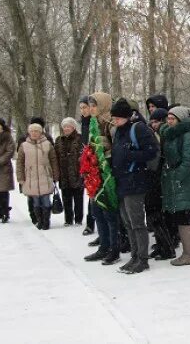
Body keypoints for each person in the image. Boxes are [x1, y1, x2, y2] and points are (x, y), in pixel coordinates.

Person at [110, 98, 159, 274]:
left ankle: (143, 258)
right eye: (113, 118)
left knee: (137, 222)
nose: (114, 121)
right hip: (121, 182)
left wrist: (130, 156)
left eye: (117, 118)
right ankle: (134, 255)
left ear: (125, 116)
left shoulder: (138, 128)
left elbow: (152, 151)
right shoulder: (117, 132)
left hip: (135, 182)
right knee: (127, 222)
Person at [84, 92, 121, 265]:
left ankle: (114, 249)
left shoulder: (111, 123)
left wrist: (105, 148)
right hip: (95, 173)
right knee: (97, 211)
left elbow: (119, 149)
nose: (91, 109)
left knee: (110, 213)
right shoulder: (93, 122)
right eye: (90, 105)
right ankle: (104, 246)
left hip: (109, 174)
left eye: (94, 105)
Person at [160, 106, 190, 266]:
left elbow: (188, 160)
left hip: (182, 181)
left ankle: (189, 254)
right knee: (177, 215)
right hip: (171, 179)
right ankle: (186, 252)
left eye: (172, 119)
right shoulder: (169, 134)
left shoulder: (186, 136)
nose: (169, 121)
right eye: (168, 118)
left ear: (180, 120)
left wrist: (177, 176)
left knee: (183, 215)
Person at [16, 123, 60, 230]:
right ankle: (39, 221)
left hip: (45, 176)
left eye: (37, 131)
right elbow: (20, 163)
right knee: (36, 202)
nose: (34, 133)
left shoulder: (47, 144)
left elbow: (53, 160)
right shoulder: (24, 146)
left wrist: (55, 175)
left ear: (41, 132)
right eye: (32, 131)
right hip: (31, 178)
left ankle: (46, 222)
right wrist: (20, 178)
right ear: (29, 132)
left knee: (46, 200)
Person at [147, 108, 176, 260]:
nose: (154, 125)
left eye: (156, 121)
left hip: (161, 179)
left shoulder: (166, 135)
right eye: (151, 122)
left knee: (160, 215)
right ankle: (161, 244)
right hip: (156, 178)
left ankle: (168, 246)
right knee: (154, 214)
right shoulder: (156, 135)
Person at [55, 117, 84, 226]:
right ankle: (68, 219)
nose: (66, 128)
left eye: (69, 126)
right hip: (64, 174)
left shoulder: (80, 138)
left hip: (77, 173)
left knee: (78, 199)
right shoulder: (58, 140)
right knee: (66, 198)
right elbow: (55, 156)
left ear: (73, 127)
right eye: (64, 126)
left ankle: (78, 219)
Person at [79, 96, 95, 236]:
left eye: (85, 107)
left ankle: (92, 222)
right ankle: (90, 223)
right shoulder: (84, 123)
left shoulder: (94, 122)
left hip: (95, 161)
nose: (83, 110)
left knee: (95, 195)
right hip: (86, 162)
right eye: (81, 108)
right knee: (90, 194)